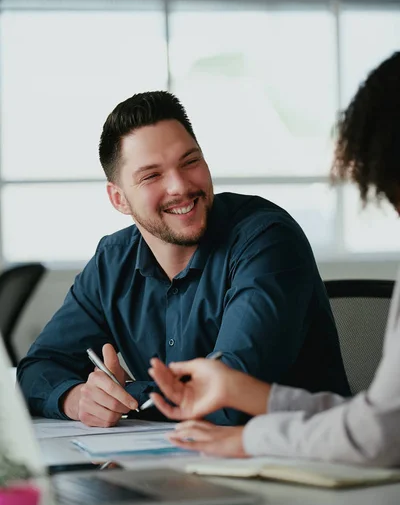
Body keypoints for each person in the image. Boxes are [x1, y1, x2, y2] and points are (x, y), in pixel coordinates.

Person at [18, 91, 348, 427]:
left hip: (297, 460)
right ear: (119, 199)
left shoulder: (266, 240)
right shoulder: (112, 261)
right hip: (177, 461)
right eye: (151, 176)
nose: (179, 186)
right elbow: (36, 369)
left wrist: (129, 393)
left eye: (190, 161)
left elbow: (231, 394)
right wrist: (75, 399)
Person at [148, 52, 400, 467]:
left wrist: (250, 438)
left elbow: (377, 436)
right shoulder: (112, 254)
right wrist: (238, 389)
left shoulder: (264, 237)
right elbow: (377, 418)